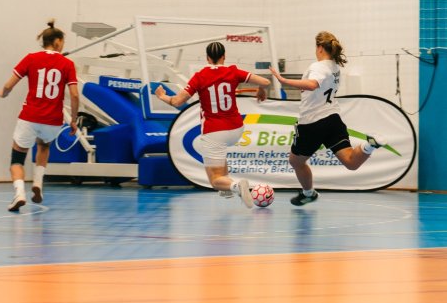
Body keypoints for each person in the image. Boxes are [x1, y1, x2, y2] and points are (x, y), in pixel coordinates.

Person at [268, 31, 384, 206]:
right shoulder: (335, 67)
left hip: (312, 122)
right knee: (351, 163)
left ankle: (308, 193)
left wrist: (283, 80)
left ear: (320, 48)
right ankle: (369, 145)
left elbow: (312, 84)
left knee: (295, 161)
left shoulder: (319, 67)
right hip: (333, 120)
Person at [155, 41, 270, 208]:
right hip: (236, 128)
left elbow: (177, 101)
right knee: (219, 154)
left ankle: (235, 186)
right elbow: (265, 82)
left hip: (214, 131)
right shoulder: (233, 71)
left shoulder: (200, 76)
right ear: (224, 56)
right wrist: (261, 90)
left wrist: (162, 96)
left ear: (207, 58)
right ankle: (226, 188)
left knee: (214, 180)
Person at [0, 20, 79, 212]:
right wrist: (74, 120)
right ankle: (38, 183)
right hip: (52, 120)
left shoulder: (31, 58)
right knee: (44, 146)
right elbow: (75, 95)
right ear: (57, 42)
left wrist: (3, 93)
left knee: (17, 159)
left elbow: (9, 85)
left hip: (30, 116)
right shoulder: (67, 64)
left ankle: (19, 194)